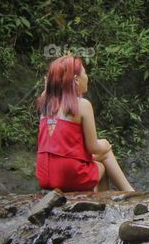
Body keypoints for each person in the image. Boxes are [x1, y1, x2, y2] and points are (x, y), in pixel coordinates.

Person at [35, 55, 134, 192]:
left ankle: (120, 194)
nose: (87, 77)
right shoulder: (82, 105)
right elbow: (93, 148)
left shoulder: (45, 103)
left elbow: (48, 91)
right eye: (85, 73)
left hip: (44, 174)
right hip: (68, 174)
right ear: (76, 79)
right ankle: (128, 194)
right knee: (104, 156)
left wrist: (50, 84)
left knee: (94, 160)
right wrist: (105, 144)